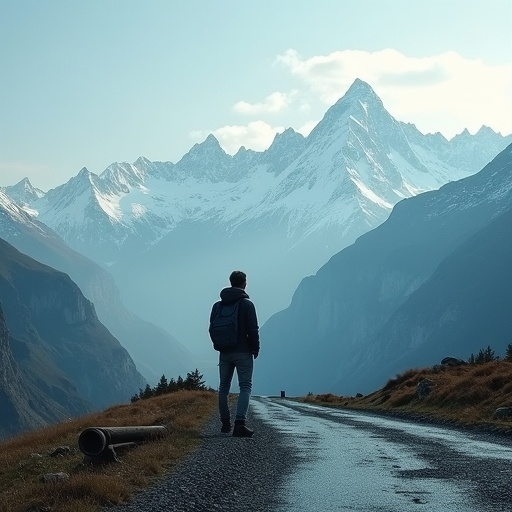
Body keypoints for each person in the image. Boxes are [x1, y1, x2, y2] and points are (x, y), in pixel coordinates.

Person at [210, 270, 259, 437]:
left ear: (231, 282)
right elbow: (253, 329)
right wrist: (255, 348)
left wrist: (219, 345)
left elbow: (211, 328)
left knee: (224, 386)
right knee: (245, 386)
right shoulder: (247, 304)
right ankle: (239, 424)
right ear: (244, 283)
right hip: (243, 351)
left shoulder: (218, 306)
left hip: (224, 352)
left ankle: (225, 424)